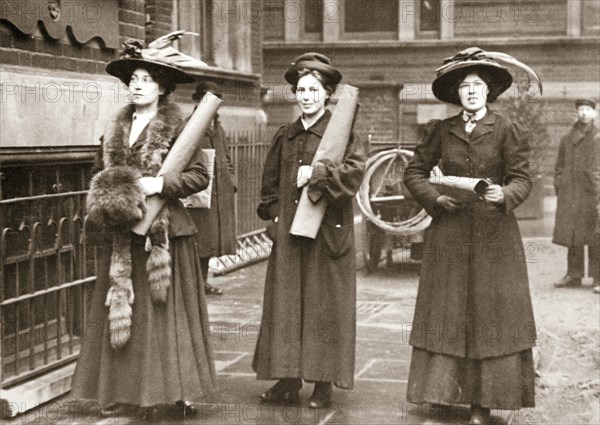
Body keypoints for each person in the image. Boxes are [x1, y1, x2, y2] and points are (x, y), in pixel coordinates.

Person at [71, 39, 216, 420]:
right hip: (121, 231)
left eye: (147, 79)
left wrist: (160, 185)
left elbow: (199, 176)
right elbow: (96, 172)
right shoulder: (115, 128)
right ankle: (123, 392)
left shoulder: (178, 127)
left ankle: (168, 394)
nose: (137, 85)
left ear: (163, 87)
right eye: (133, 78)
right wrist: (108, 192)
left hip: (162, 235)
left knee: (162, 317)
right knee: (123, 314)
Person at [403, 47, 537, 424]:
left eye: (478, 85)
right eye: (465, 86)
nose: (472, 91)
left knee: (487, 315)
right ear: (456, 94)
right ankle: (441, 396)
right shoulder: (441, 131)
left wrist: (505, 195)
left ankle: (483, 403)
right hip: (449, 234)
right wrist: (435, 197)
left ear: (489, 91)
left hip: (495, 239)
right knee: (446, 312)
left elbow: (523, 178)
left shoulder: (508, 129)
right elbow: (414, 172)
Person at [252, 52, 366, 408]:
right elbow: (268, 189)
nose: (306, 96)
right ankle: (287, 380)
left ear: (327, 93)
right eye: (301, 90)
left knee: (324, 309)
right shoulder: (285, 136)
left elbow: (353, 177)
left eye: (314, 90)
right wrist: (274, 223)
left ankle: (322, 385)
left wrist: (317, 175)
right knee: (286, 307)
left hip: (328, 236)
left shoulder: (345, 132)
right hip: (288, 237)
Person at [185, 81, 237, 296]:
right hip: (199, 193)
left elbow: (226, 156)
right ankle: (194, 286)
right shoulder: (190, 127)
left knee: (210, 244)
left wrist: (231, 180)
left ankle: (203, 282)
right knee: (198, 242)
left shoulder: (218, 128)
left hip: (219, 193)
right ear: (196, 101)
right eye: (206, 99)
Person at [552, 98, 600, 294]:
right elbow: (559, 165)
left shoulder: (598, 138)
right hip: (571, 192)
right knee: (573, 234)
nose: (584, 113)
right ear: (576, 113)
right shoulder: (567, 137)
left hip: (592, 192)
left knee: (596, 236)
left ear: (594, 114)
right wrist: (560, 184)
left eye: (587, 109)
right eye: (580, 109)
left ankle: (598, 278)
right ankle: (574, 274)